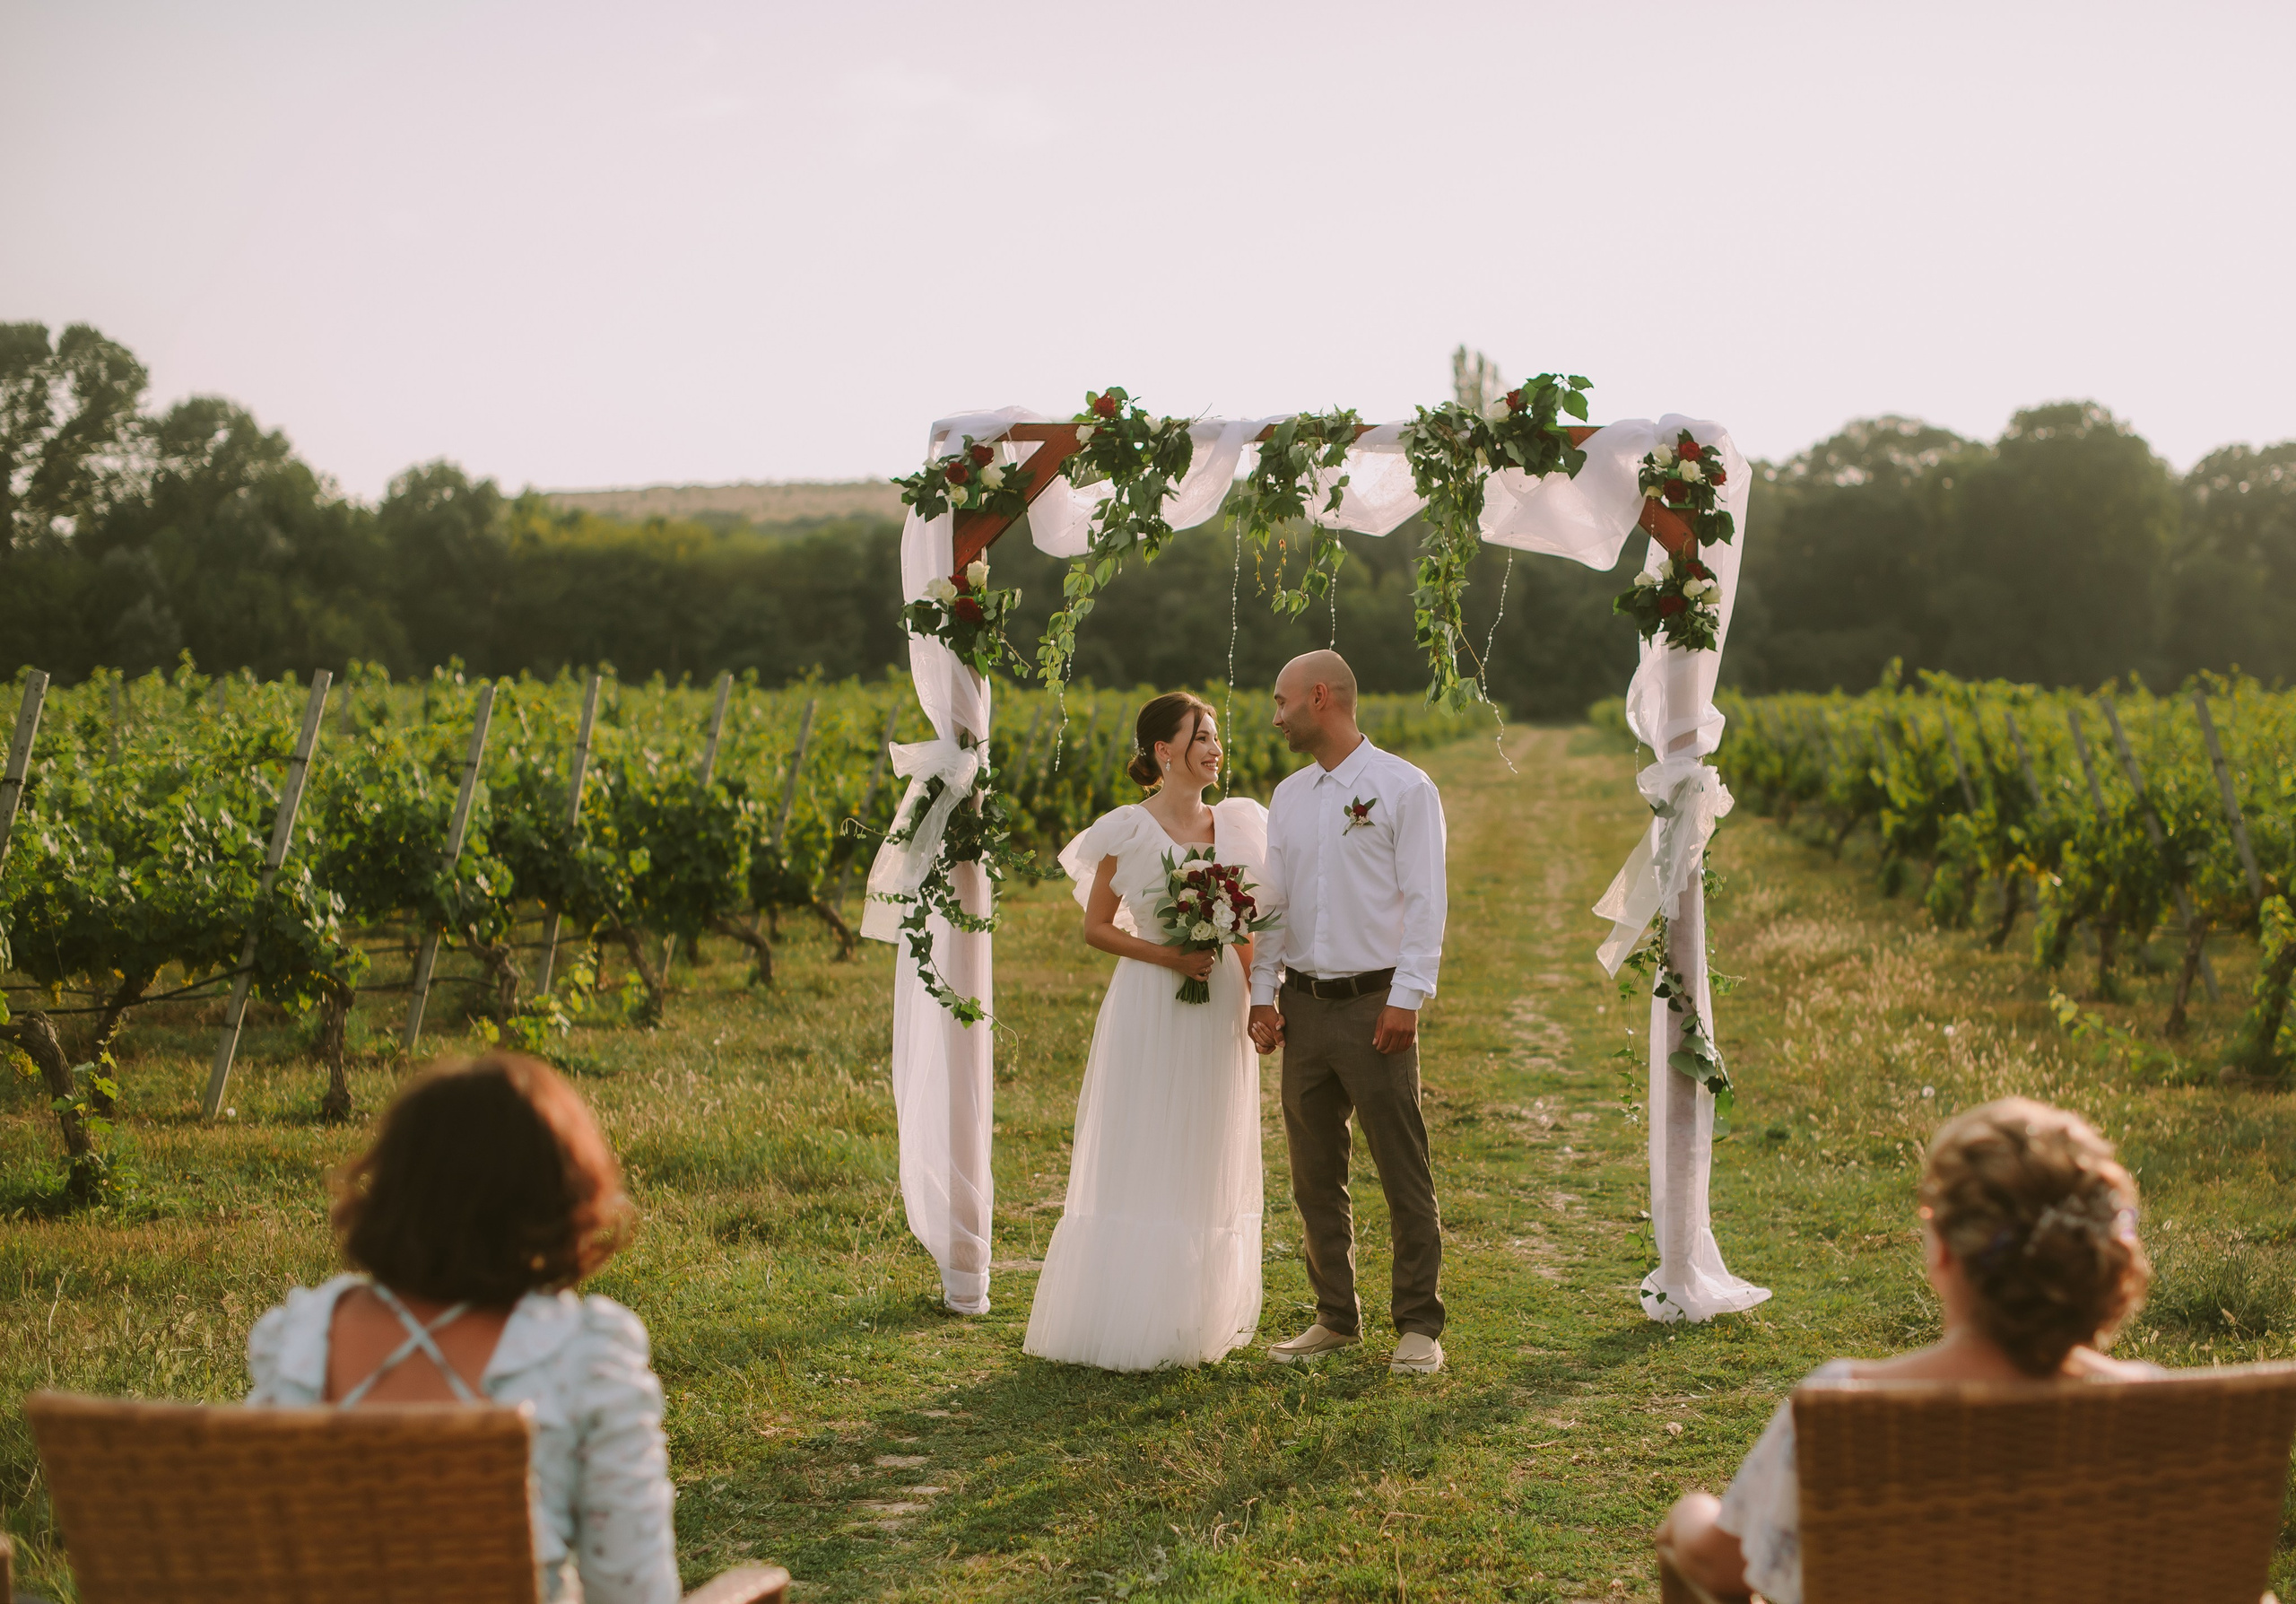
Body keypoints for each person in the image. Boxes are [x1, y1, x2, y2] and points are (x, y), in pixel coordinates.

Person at [1657, 1096, 2157, 1604]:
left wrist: (1688, 1514)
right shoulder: (2154, 1409)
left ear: (1942, 1249)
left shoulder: (1846, 1403)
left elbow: (1721, 1568)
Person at [246, 1052, 679, 1604]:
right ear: (559, 1192)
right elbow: (633, 1591)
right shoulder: (585, 1356)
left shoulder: (300, 1341)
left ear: (394, 1183)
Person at [1023, 693, 1270, 1371]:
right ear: (1166, 751)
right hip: (1150, 1000)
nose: (1217, 748)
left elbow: (1247, 929)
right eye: (1204, 737)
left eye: (1218, 737)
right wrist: (1171, 957)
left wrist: (1261, 1001)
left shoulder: (1241, 824)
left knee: (1206, 1138)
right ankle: (1131, 1315)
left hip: (1217, 998)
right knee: (1148, 1141)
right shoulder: (1127, 831)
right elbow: (1097, 928)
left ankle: (1194, 1314)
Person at [1247, 649, 1450, 1376]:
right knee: (1313, 1175)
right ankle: (1336, 1316)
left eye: (1282, 702)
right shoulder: (1289, 795)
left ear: (1320, 698)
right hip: (1302, 1009)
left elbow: (1427, 900)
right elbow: (1273, 904)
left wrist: (1407, 997)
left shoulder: (1404, 788)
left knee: (1401, 1166)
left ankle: (1420, 1326)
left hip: (1375, 1005)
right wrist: (1262, 993)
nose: (1275, 717)